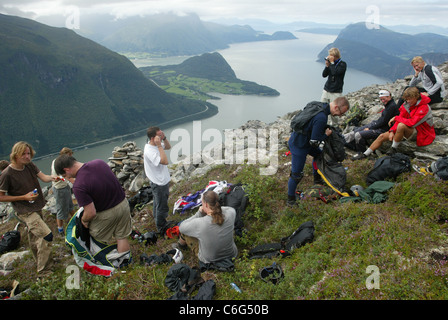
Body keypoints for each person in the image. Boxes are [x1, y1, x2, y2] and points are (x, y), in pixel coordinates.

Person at [0, 142, 61, 275]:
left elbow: (44, 177)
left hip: (36, 205)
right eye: (24, 154)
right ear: (16, 155)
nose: (28, 157)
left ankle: (41, 261)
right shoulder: (7, 174)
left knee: (34, 237)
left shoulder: (29, 166)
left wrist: (53, 178)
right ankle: (44, 272)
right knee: (46, 236)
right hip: (24, 210)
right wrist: (24, 197)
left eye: (29, 153)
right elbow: (1, 197)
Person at [54, 155, 132, 254]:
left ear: (66, 169)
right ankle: (125, 262)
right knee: (121, 237)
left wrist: (84, 221)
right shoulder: (99, 163)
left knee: (96, 241)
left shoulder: (78, 185)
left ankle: (104, 265)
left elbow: (91, 213)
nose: (67, 178)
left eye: (65, 175)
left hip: (106, 214)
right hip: (123, 204)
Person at [287, 97, 350, 206]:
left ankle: (317, 180)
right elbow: (314, 142)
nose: (339, 116)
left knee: (319, 155)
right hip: (299, 146)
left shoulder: (318, 105)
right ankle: (291, 200)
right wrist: (326, 135)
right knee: (296, 174)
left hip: (300, 140)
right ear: (336, 107)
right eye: (340, 113)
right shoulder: (321, 117)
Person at [352, 87, 436, 160]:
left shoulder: (424, 107)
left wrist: (396, 118)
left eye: (410, 99)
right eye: (406, 99)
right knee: (382, 136)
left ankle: (393, 149)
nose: (408, 101)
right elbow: (401, 118)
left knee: (401, 125)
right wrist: (392, 130)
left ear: (416, 97)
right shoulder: (407, 104)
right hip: (407, 129)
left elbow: (412, 123)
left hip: (421, 132)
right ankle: (365, 154)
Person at [178, 190, 238, 267]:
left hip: (209, 260)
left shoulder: (200, 223)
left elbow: (182, 227)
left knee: (185, 232)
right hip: (232, 255)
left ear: (206, 204)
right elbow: (226, 209)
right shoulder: (231, 212)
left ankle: (180, 246)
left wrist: (199, 213)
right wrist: (216, 209)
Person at [143, 126, 172, 236]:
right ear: (152, 138)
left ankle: (157, 221)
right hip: (159, 182)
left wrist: (164, 139)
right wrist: (160, 145)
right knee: (162, 206)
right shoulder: (150, 150)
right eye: (159, 135)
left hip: (160, 180)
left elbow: (168, 147)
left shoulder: (155, 145)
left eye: (161, 134)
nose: (160, 136)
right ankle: (162, 228)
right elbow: (165, 161)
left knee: (157, 203)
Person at [51, 147, 75, 236]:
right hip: (59, 188)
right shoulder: (57, 163)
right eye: (69, 156)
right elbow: (57, 176)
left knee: (70, 207)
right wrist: (69, 179)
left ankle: (77, 222)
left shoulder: (62, 162)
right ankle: (60, 230)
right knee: (61, 209)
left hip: (65, 187)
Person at [321, 47, 347, 126]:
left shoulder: (342, 64)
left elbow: (336, 73)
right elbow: (324, 75)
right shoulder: (331, 65)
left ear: (335, 56)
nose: (329, 57)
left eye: (330, 55)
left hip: (335, 91)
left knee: (335, 111)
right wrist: (327, 66)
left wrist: (331, 64)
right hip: (327, 90)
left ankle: (335, 126)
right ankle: (322, 124)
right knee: (322, 108)